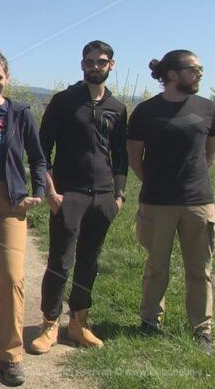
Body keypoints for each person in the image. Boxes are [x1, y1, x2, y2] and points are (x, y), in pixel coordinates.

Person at [32, 40, 128, 354]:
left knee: (89, 261)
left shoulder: (117, 107)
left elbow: (120, 155)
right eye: (89, 61)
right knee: (60, 261)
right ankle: (50, 325)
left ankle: (78, 323)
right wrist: (50, 191)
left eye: (101, 62)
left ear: (110, 65)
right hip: (67, 194)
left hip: (102, 197)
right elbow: (40, 151)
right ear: (82, 64)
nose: (95, 67)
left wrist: (119, 196)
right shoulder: (63, 102)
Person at [127, 50, 214, 353]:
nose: (200, 73)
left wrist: (192, 180)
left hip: (198, 202)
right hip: (157, 202)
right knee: (156, 266)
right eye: (195, 69)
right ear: (174, 74)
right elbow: (135, 158)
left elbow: (209, 153)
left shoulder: (208, 109)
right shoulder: (145, 112)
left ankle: (202, 329)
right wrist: (155, 182)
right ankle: (150, 321)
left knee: (200, 269)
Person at [0, 46, 47, 386]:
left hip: (11, 200)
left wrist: (39, 192)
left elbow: (39, 157)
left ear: (7, 79)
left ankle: (10, 356)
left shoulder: (20, 113)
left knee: (12, 277)